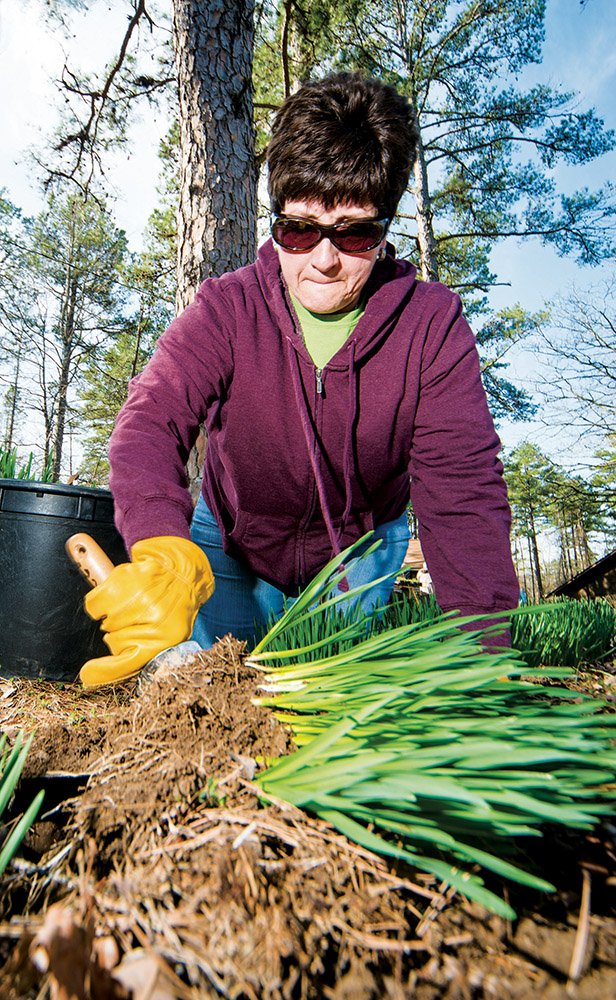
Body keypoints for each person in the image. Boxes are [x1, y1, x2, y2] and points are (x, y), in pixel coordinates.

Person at [79, 72, 519, 687]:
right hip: (226, 545)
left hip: (358, 555)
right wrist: (160, 548)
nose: (323, 259)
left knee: (317, 704)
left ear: (385, 228)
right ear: (276, 218)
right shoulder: (227, 310)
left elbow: (463, 493)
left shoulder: (431, 326)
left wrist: (483, 664)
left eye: (355, 231)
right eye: (299, 228)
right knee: (212, 695)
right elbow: (149, 422)